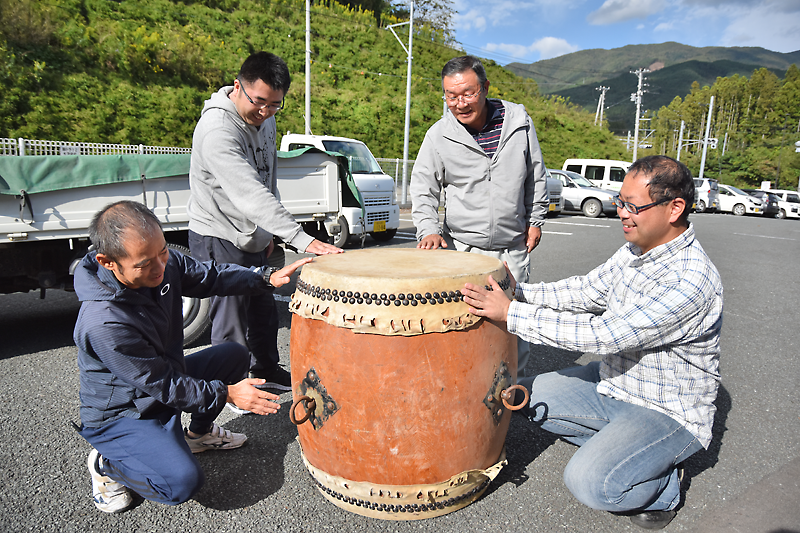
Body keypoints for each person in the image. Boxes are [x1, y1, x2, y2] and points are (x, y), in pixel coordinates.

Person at [462, 156, 723, 530]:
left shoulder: (691, 280)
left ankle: (666, 483)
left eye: (633, 206)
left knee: (591, 483)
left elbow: (606, 334)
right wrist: (520, 294)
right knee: (521, 395)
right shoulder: (635, 250)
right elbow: (586, 291)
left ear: (674, 209)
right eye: (620, 202)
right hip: (613, 385)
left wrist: (511, 314)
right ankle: (624, 446)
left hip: (666, 412)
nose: (622, 213)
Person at [74, 200, 314, 513]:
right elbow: (163, 384)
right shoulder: (104, 321)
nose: (161, 267)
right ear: (108, 262)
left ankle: (197, 436)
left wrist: (263, 278)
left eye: (162, 252)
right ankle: (108, 464)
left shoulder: (164, 263)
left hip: (162, 381)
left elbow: (211, 276)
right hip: (125, 411)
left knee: (234, 355)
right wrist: (227, 393)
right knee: (181, 483)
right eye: (145, 263)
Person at [187, 51, 341, 392]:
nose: (266, 112)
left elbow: (267, 180)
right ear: (238, 85)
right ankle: (231, 387)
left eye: (275, 105)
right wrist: (302, 239)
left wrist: (271, 232)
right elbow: (249, 194)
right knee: (230, 316)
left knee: (262, 309)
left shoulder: (265, 117)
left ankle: (266, 370)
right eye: (260, 102)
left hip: (255, 231)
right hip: (220, 234)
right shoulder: (217, 130)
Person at [410, 55, 548, 378]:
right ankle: (465, 392)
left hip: (511, 247)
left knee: (513, 326)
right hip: (462, 249)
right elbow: (422, 185)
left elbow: (535, 174)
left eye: (468, 93)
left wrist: (536, 219)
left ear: (485, 88)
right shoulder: (439, 135)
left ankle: (514, 396)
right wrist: (428, 229)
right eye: (451, 96)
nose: (459, 103)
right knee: (461, 324)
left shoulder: (518, 122)